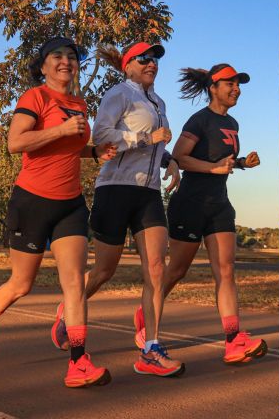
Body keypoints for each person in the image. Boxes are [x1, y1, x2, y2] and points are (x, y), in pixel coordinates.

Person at [0, 36, 117, 388]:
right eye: (57, 56)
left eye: (72, 56)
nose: (66, 61)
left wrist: (93, 152)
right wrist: (62, 129)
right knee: (21, 284)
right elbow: (16, 142)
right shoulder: (35, 97)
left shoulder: (79, 103)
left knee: (74, 284)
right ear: (44, 65)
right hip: (32, 201)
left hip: (71, 204)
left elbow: (67, 148)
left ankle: (79, 361)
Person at [49, 41, 185, 378]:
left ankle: (151, 348)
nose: (151, 63)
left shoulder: (159, 101)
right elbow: (102, 137)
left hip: (149, 193)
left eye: (154, 59)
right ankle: (68, 310)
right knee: (104, 271)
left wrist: (170, 161)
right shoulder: (118, 94)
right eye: (144, 59)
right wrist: (146, 139)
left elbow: (157, 143)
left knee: (156, 268)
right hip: (115, 189)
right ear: (128, 65)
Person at [130, 63, 267, 364]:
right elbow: (179, 157)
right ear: (213, 88)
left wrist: (242, 162)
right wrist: (213, 168)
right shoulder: (199, 120)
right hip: (190, 203)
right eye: (229, 83)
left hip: (219, 203)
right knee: (176, 271)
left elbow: (220, 160)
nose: (236, 89)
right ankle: (146, 315)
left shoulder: (232, 123)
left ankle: (233, 341)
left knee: (226, 270)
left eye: (238, 84)